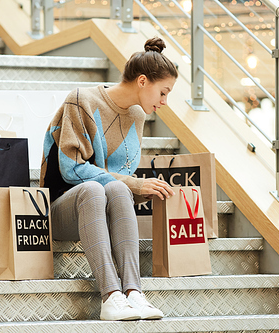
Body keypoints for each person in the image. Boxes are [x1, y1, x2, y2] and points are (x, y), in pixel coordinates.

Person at [40, 37, 178, 321]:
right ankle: (110, 296)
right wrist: (135, 184)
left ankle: (133, 292)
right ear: (142, 81)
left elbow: (120, 183)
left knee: (113, 188)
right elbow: (72, 169)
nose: (164, 102)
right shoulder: (82, 101)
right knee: (92, 189)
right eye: (163, 93)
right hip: (60, 209)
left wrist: (145, 189)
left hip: (102, 213)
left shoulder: (137, 116)